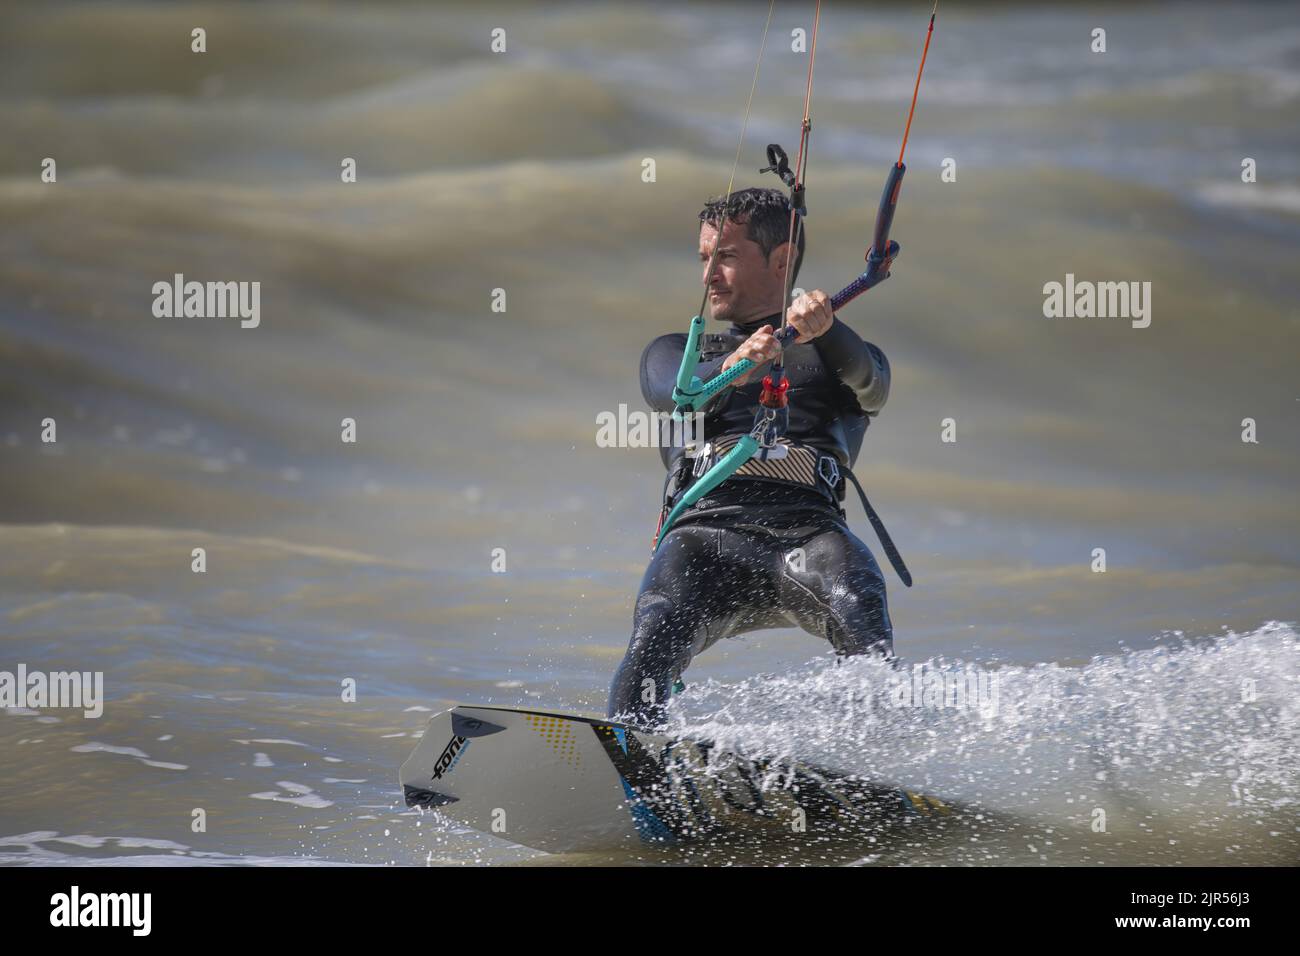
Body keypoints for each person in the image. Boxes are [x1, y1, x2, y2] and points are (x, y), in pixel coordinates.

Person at [607, 187, 901, 730]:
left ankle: (876, 763)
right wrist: (736, 365)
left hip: (808, 536)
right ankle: (631, 753)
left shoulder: (837, 355)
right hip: (703, 539)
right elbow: (677, 392)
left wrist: (829, 327)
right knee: (657, 623)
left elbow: (874, 386)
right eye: (704, 258)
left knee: (857, 593)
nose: (707, 275)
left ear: (781, 260)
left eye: (725, 256)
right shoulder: (679, 351)